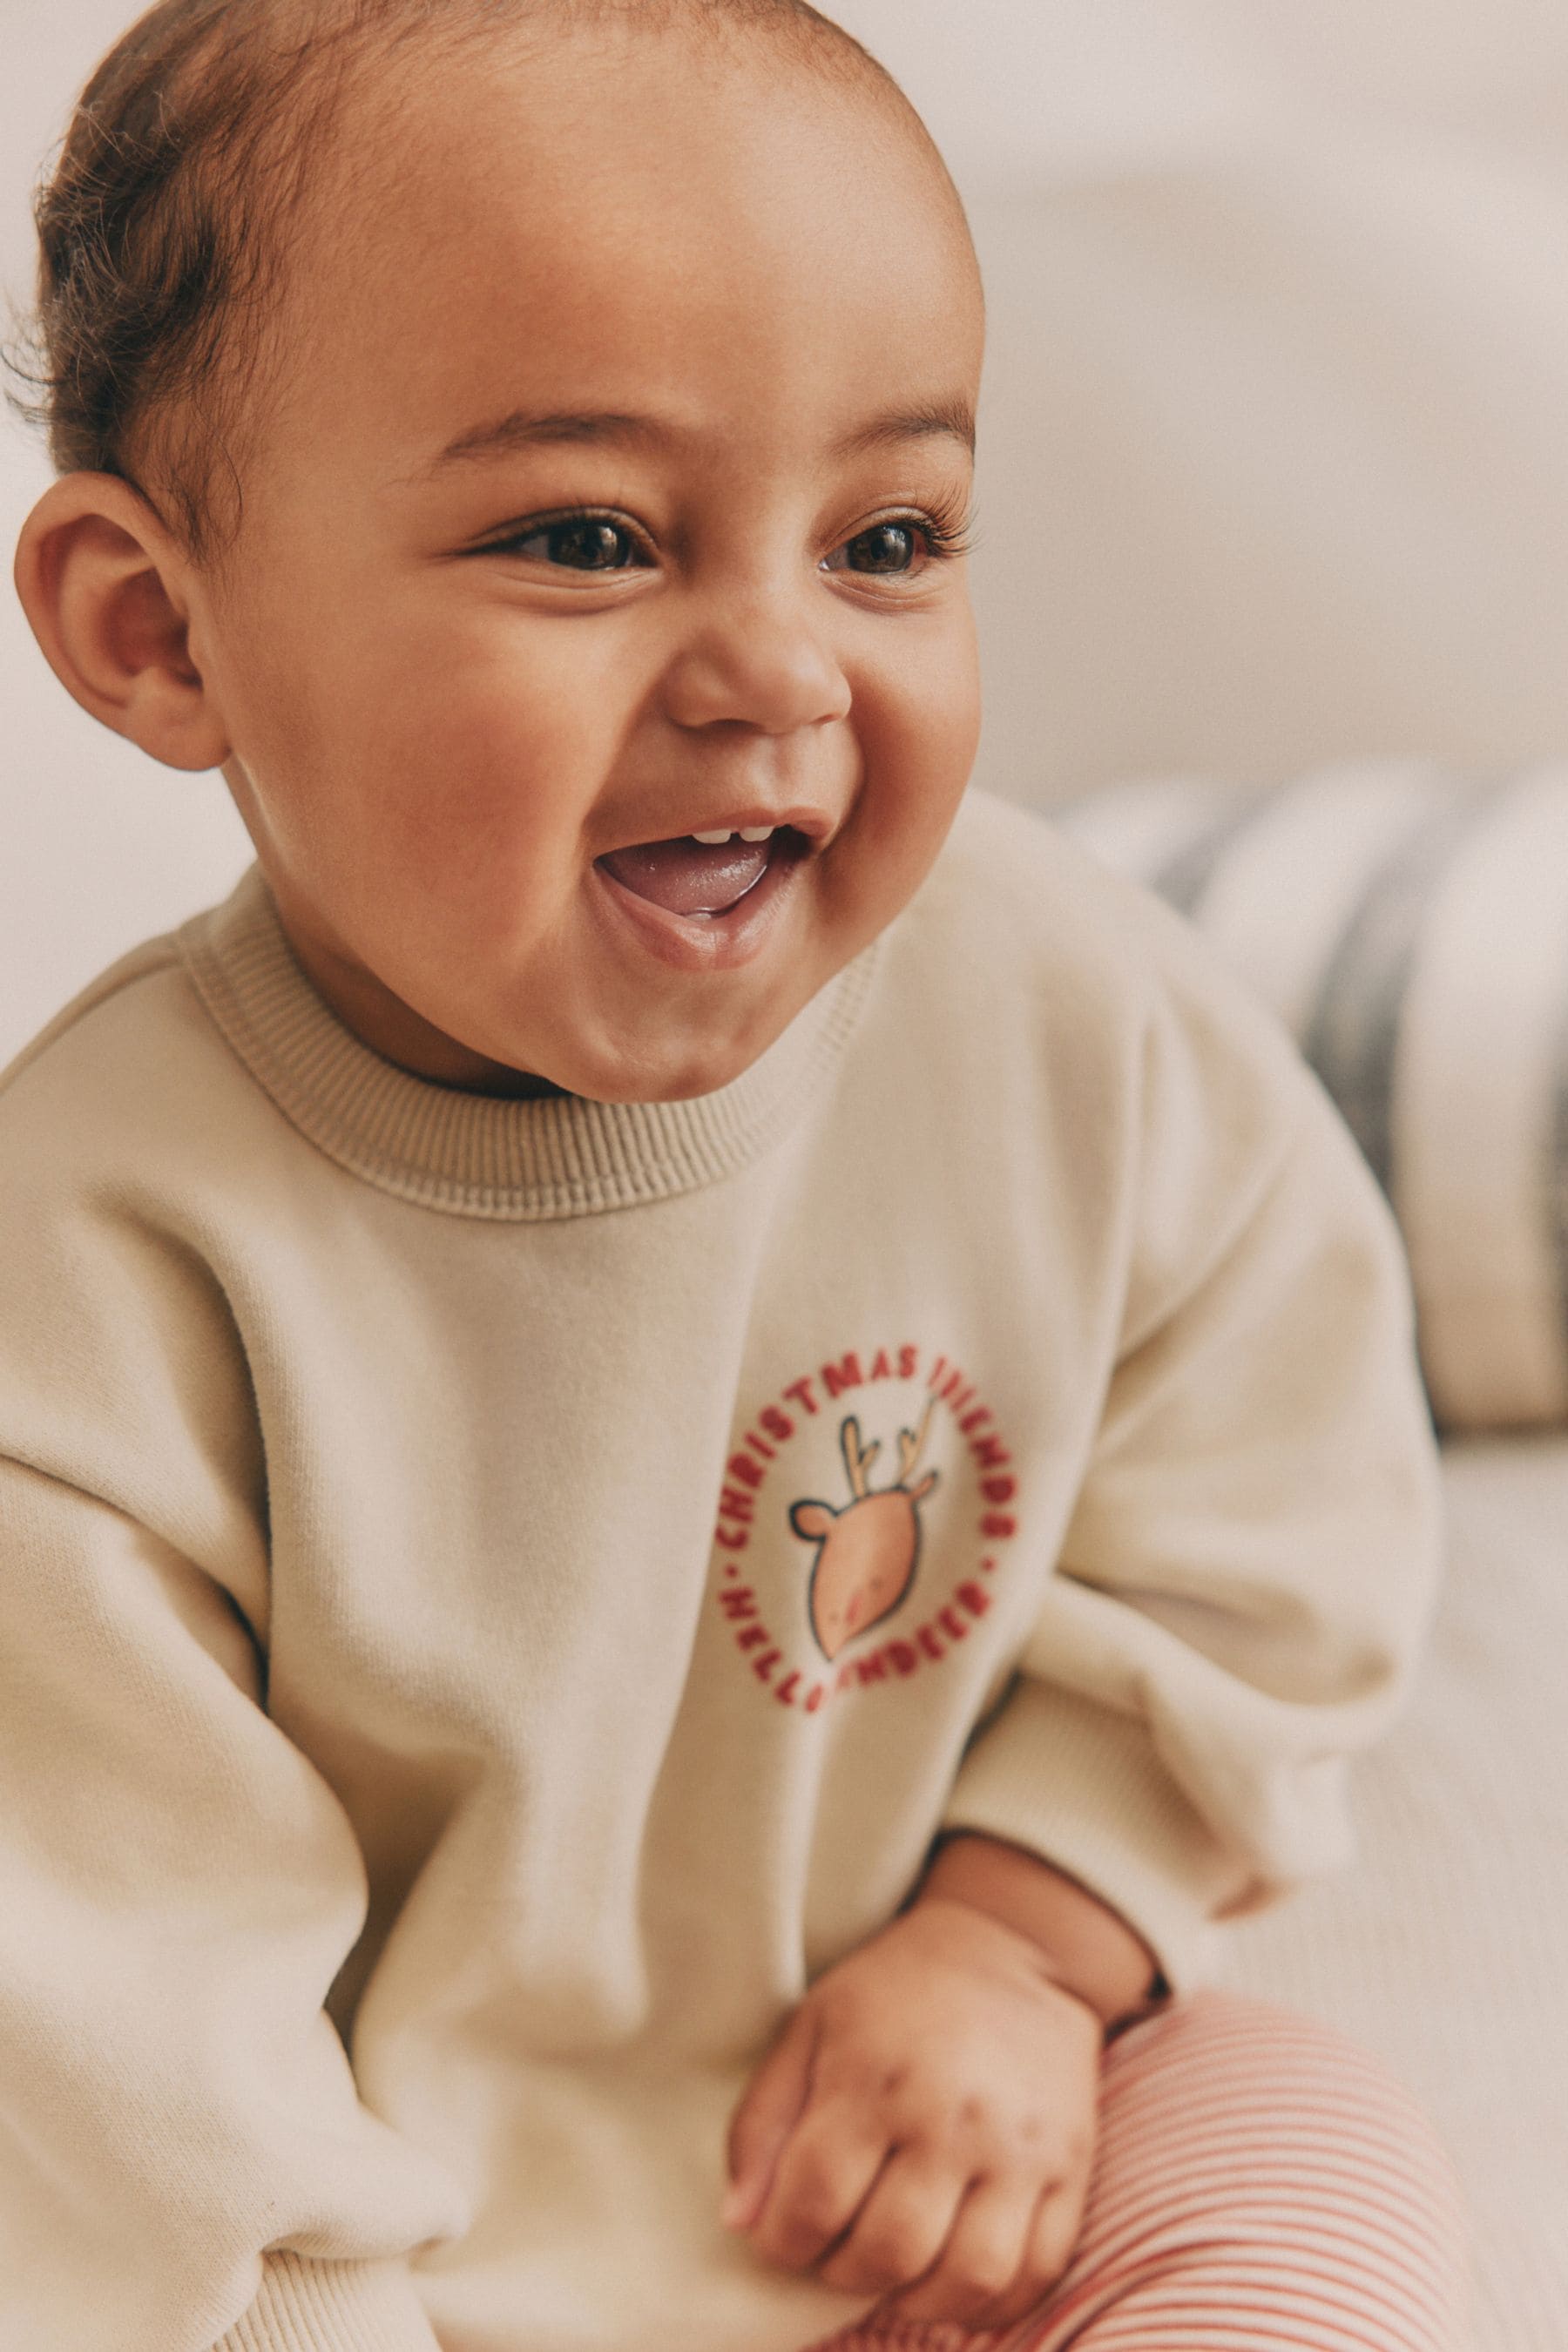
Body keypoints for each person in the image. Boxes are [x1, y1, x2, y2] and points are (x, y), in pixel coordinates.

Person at [2, 3, 1466, 2349]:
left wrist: (1025, 1928)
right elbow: (124, 2079)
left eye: (885, 535)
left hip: (945, 2136)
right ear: (161, 630)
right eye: (588, 537)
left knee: (1297, 2131)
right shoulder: (93, 1289)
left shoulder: (1060, 1008)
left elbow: (1265, 1482)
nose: (782, 666)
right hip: (408, 2261)